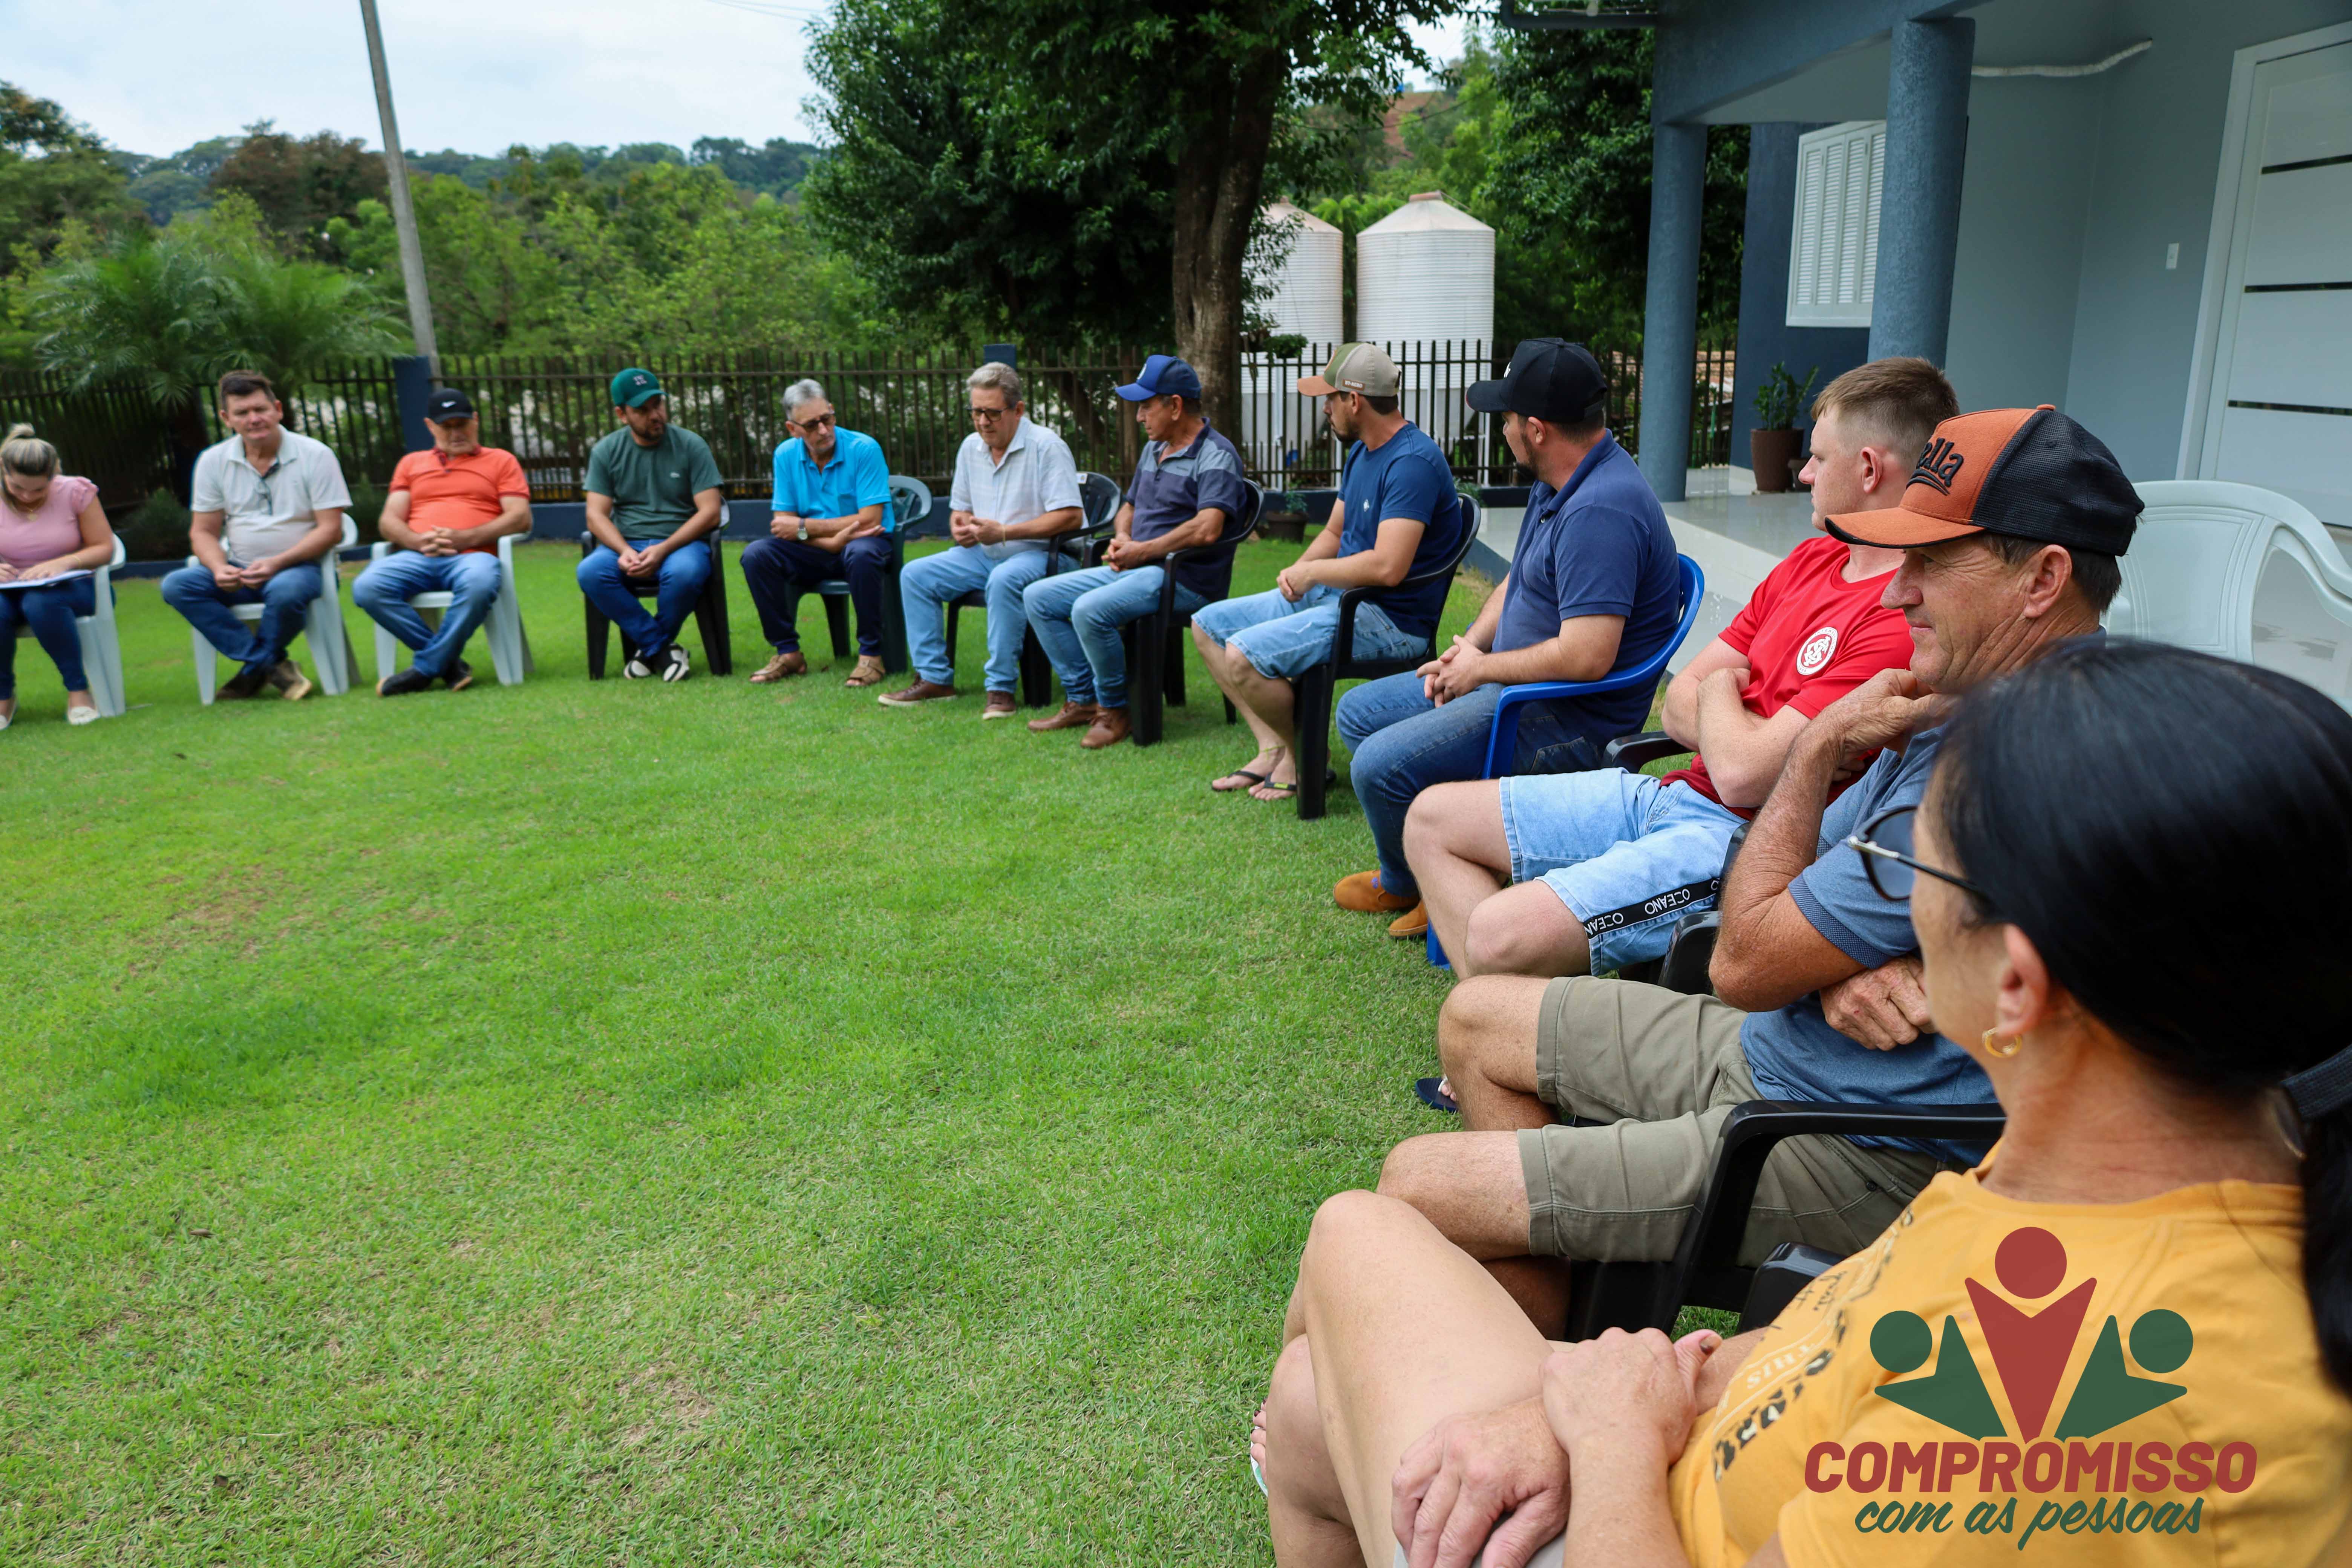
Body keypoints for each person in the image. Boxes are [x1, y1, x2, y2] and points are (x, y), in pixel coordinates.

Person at [1255, 639, 2352, 1568]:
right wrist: (1594, 1396)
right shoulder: (2113, 1179)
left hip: (1636, 1521)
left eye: (1909, 880)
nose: (1884, 920)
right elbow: (1844, 1337)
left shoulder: (2063, 1395)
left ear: (2016, 985)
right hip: (1693, 1458)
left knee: (1359, 1234)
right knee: (1310, 1403)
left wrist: (1610, 1440)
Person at [1378, 405, 2139, 1337]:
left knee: (1417, 1180)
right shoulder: (1966, 698)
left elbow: (1742, 959)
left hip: (1860, 1143)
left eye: (1932, 562)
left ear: (2044, 579)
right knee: (1476, 1017)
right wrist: (1837, 964)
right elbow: (1760, 873)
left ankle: (1545, 1353)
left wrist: (1814, 752)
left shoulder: (2006, 763)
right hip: (1785, 1049)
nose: (1896, 595)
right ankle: (1556, 1338)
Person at [1401, 357, 1954, 977]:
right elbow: (1680, 705)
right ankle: (1496, 1017)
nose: (1803, 473)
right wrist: (1735, 724)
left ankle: (1498, 1020)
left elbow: (1741, 776)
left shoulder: (1902, 619)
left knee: (1496, 936)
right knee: (1430, 821)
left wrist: (1718, 691)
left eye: (1819, 459)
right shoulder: (1811, 561)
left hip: (1734, 845)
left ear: (1870, 469)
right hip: (1671, 796)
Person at [1330, 340, 1680, 940]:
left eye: (1508, 417)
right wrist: (1470, 648)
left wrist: (1484, 670)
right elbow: (1519, 581)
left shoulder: (1601, 510)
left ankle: (1423, 879)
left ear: (1537, 430)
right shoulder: (1560, 480)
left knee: (1378, 766)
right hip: (1516, 687)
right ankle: (1431, 867)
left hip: (1560, 717)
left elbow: (1587, 656)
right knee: (1359, 713)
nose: (1503, 428)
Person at [1193, 343, 1466, 801]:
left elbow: (1388, 567)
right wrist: (1298, 571)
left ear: (1354, 400)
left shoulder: (1411, 463)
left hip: (1387, 619)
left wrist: (1316, 573)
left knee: (1242, 654)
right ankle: (1276, 748)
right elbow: (1337, 530)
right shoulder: (1363, 451)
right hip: (1341, 598)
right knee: (1208, 627)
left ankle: (1306, 759)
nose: (1325, 409)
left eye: (1329, 398)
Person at [1021, 354, 1247, 749]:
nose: (1139, 417)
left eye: (1146, 406)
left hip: (1185, 579)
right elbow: (1129, 506)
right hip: (1139, 567)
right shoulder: (1154, 448)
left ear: (1175, 406)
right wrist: (1124, 537)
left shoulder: (1217, 454)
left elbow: (1207, 528)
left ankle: (1115, 709)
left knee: (1089, 610)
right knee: (1038, 597)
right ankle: (1084, 698)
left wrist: (1143, 551)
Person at [880, 361, 1084, 714]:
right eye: (976, 412)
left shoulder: (1047, 446)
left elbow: (1071, 517)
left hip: (1046, 555)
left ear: (1018, 410)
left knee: (1004, 579)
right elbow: (960, 509)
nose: (983, 422)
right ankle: (934, 679)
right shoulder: (971, 447)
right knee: (916, 575)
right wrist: (960, 527)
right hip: (985, 554)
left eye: (993, 413)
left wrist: (1004, 532)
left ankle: (1000, 689)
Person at [161, 370, 351, 702]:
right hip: (240, 570)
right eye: (243, 413)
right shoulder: (213, 461)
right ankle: (269, 665)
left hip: (302, 569)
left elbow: (331, 530)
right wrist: (219, 568)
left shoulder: (315, 455)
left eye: (261, 409)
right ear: (227, 419)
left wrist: (277, 563)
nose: (254, 419)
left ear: (277, 410)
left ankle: (253, 672)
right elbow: (203, 531)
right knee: (178, 585)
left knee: (286, 590)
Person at [351, 388, 532, 696]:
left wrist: (466, 538)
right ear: (430, 427)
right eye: (446, 426)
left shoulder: (501, 461)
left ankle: (426, 669)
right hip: (418, 555)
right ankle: (448, 665)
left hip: (474, 556)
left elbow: (520, 518)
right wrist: (417, 541)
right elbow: (389, 521)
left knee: (479, 582)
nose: (456, 433)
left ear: (476, 421)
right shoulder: (411, 464)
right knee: (368, 587)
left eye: (462, 424)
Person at [737, 379, 895, 689]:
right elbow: (783, 525)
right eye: (811, 425)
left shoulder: (864, 449)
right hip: (816, 548)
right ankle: (788, 652)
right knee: (757, 555)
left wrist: (807, 528)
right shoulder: (785, 455)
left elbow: (870, 519)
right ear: (792, 428)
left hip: (867, 542)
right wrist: (831, 541)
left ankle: (871, 656)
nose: (823, 430)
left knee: (861, 553)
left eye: (827, 419)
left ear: (833, 411)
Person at [575, 367, 724, 682]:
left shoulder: (691, 445)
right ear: (622, 414)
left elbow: (711, 512)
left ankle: (648, 651)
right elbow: (595, 515)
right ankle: (661, 649)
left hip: (682, 543)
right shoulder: (607, 451)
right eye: (642, 410)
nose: (655, 415)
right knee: (590, 571)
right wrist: (624, 550)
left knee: (684, 573)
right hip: (628, 542)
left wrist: (664, 549)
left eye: (658, 404)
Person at [0, 425, 116, 729]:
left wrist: (65, 562)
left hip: (73, 587)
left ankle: (78, 690)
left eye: (39, 490)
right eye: (17, 488)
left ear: (55, 474)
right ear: (4, 471)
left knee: (41, 603)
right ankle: (3, 696)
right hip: (9, 589)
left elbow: (104, 547)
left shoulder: (76, 492)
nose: (27, 496)